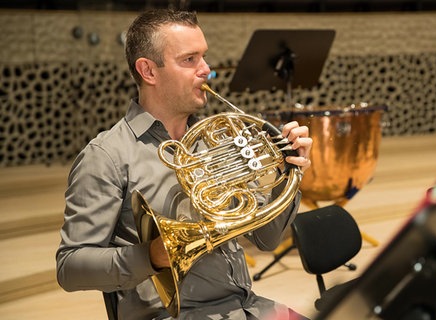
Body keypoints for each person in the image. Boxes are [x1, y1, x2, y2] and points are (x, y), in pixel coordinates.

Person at [56, 9, 312, 320]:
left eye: (204, 57)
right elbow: (70, 267)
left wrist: (288, 172)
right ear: (148, 71)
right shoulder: (108, 155)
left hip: (247, 307)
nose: (207, 70)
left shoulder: (218, 139)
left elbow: (267, 238)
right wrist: (150, 257)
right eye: (189, 60)